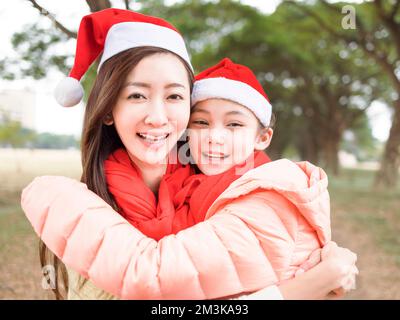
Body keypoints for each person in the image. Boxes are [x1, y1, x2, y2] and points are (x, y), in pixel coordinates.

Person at [21, 8, 357, 300]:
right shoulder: (88, 209)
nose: (157, 116)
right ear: (109, 108)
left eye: (174, 96)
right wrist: (305, 288)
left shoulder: (232, 191)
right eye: (137, 96)